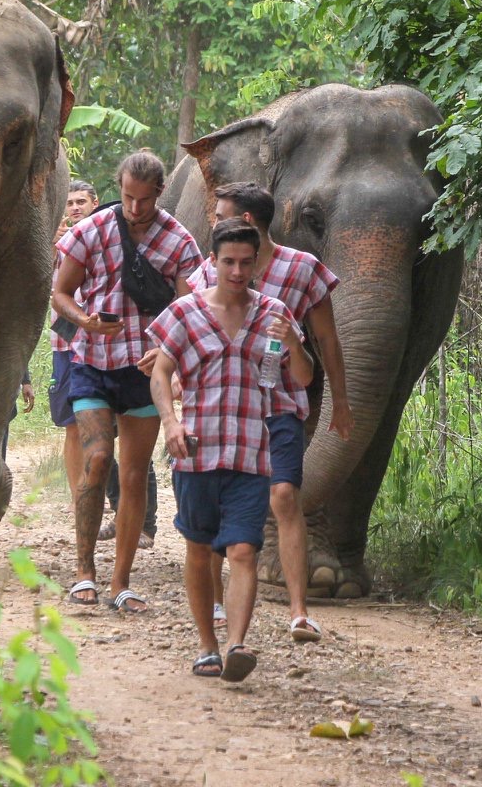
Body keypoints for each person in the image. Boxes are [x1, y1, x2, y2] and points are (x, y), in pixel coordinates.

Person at [149, 216, 314, 681]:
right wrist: (170, 422)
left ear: (258, 262)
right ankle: (207, 645)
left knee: (243, 550)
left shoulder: (273, 315)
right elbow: (161, 373)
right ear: (214, 262)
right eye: (228, 262)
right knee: (200, 550)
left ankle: (237, 644)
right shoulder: (185, 312)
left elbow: (301, 378)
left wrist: (294, 347)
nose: (238, 272)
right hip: (196, 449)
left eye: (246, 262)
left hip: (250, 452)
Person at [190, 181, 353, 643]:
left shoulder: (303, 269)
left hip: (280, 400)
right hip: (224, 407)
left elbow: (329, 339)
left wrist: (340, 400)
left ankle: (299, 610)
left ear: (245, 222)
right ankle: (219, 602)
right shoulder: (208, 271)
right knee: (222, 499)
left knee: (283, 496)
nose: (212, 218)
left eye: (219, 212)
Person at [52, 151, 199, 612]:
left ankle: (121, 581)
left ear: (159, 193)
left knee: (134, 475)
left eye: (145, 200)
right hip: (92, 363)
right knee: (97, 460)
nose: (135, 209)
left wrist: (168, 349)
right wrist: (85, 321)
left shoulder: (178, 240)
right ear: (118, 189)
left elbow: (189, 307)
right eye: (127, 198)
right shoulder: (89, 231)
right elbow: (60, 293)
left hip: (144, 372)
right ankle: (83, 573)